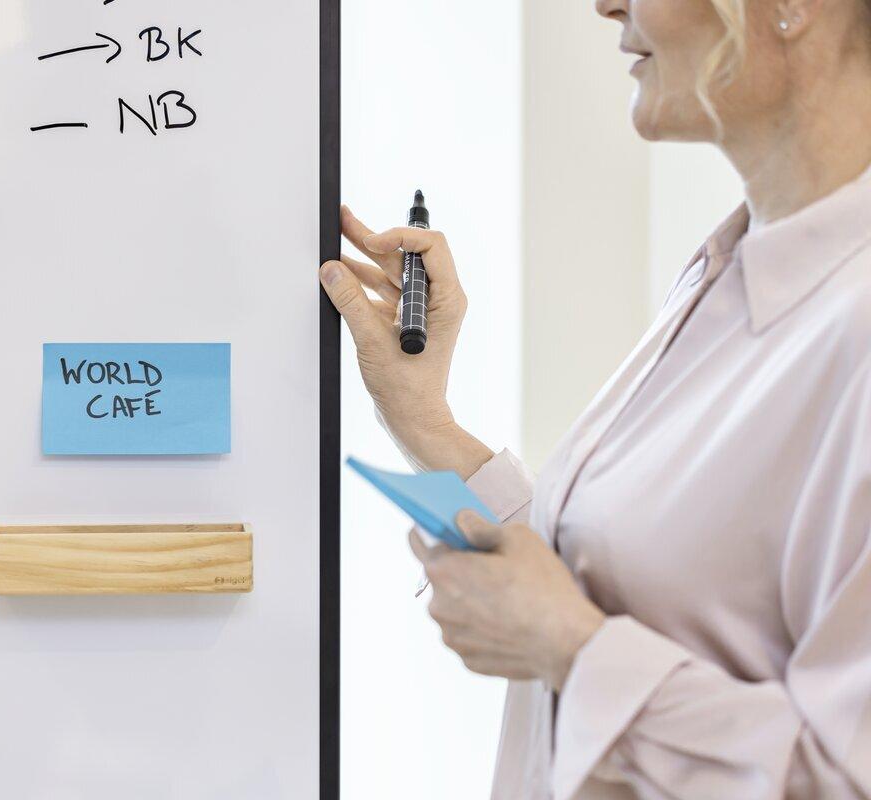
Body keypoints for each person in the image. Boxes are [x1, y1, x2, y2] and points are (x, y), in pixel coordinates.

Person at [319, 0, 871, 796]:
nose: (607, 2)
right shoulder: (732, 271)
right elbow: (631, 581)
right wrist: (423, 417)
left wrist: (571, 650)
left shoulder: (850, 326)